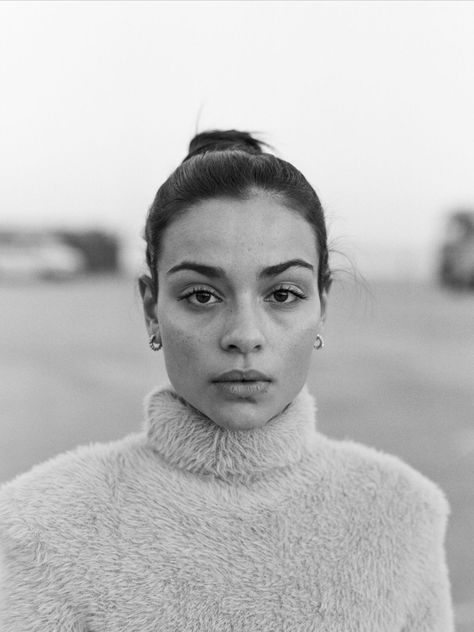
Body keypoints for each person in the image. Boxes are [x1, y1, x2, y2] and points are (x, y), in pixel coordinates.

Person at [0, 130, 454, 631]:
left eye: (282, 294)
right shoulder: (40, 526)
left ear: (322, 304)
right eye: (201, 295)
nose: (244, 335)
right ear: (152, 308)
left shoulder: (403, 514)